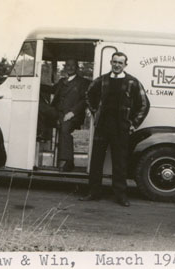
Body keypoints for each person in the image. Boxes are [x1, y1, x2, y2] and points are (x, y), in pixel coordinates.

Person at [80, 52, 150, 207]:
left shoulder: (132, 82)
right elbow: (88, 95)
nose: (117, 65)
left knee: (120, 162)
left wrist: (134, 123)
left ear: (125, 64)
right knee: (97, 160)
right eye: (114, 62)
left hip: (121, 127)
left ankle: (120, 195)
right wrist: (94, 111)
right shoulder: (101, 80)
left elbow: (144, 104)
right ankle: (93, 192)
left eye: (120, 62)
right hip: (102, 126)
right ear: (111, 62)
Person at [51, 59, 91, 172]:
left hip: (73, 115)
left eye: (73, 66)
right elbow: (51, 90)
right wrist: (36, 84)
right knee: (41, 114)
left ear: (77, 67)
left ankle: (68, 162)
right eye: (68, 65)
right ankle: (42, 136)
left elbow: (84, 100)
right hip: (58, 113)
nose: (70, 68)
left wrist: (72, 112)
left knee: (65, 128)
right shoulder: (61, 81)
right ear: (65, 67)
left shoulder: (83, 82)